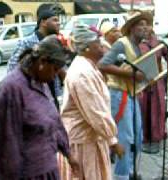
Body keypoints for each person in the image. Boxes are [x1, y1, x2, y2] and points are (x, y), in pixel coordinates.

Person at [0, 35, 79, 180]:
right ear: (42, 61)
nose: (55, 77)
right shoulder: (11, 89)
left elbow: (54, 121)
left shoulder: (40, 82)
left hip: (48, 169)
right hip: (26, 174)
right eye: (55, 70)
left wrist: (68, 153)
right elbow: (4, 144)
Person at [59, 25, 124, 180]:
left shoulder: (89, 67)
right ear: (87, 48)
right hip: (82, 143)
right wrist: (113, 141)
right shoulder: (82, 73)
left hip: (91, 139)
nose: (102, 45)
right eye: (98, 42)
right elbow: (95, 112)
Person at [98, 12, 152, 179]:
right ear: (131, 28)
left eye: (146, 24)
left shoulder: (137, 46)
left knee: (137, 136)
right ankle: (121, 176)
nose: (145, 27)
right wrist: (132, 76)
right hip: (118, 94)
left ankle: (129, 171)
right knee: (125, 137)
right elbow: (102, 65)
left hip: (130, 94)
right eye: (140, 24)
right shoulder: (122, 44)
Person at [6, 10, 65, 110]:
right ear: (43, 22)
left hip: (52, 98)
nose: (58, 23)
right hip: (34, 100)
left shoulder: (55, 42)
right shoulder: (27, 42)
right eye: (55, 20)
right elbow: (12, 68)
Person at [138, 26, 168, 154]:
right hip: (143, 82)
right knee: (144, 109)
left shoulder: (158, 43)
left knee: (158, 109)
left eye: (147, 26)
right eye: (143, 27)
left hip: (157, 81)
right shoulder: (137, 44)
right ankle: (144, 139)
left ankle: (157, 137)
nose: (145, 29)